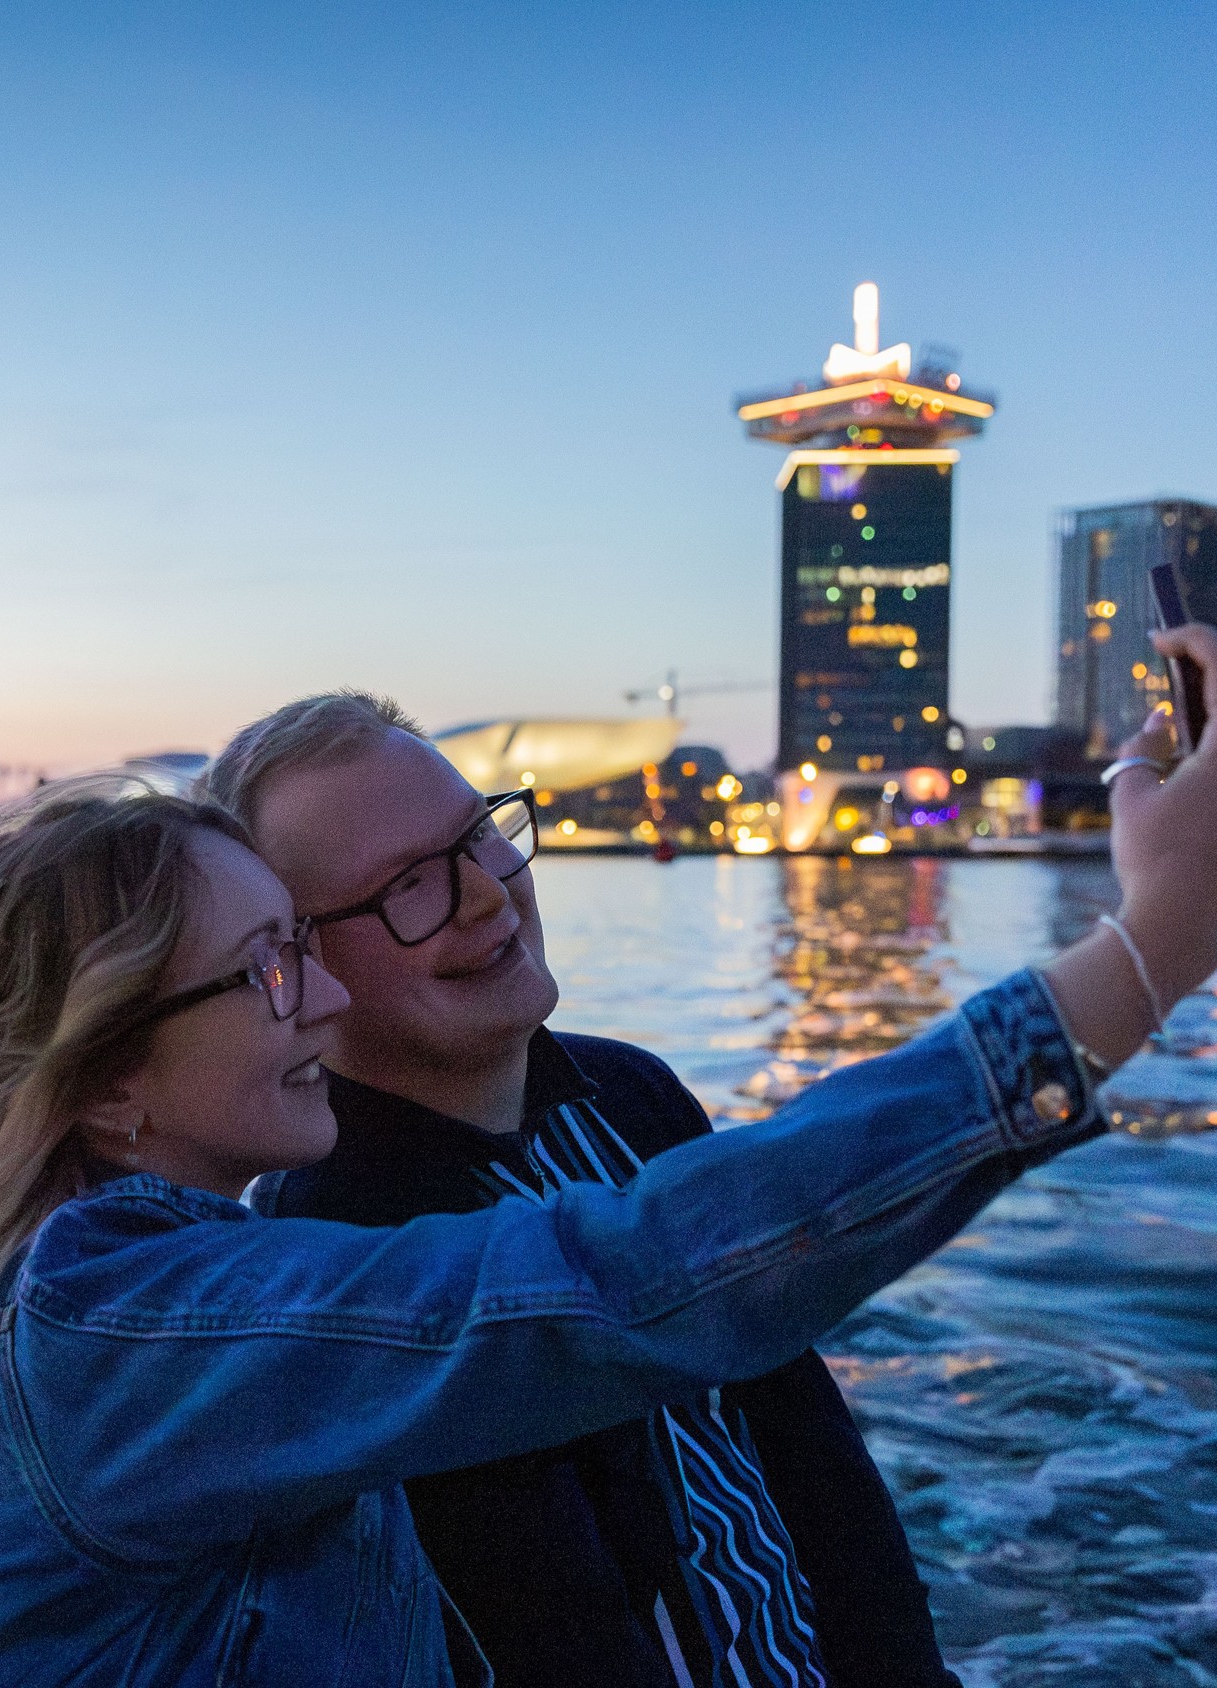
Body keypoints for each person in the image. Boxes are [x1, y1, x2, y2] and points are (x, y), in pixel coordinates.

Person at [0, 625, 1217, 1686]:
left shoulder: (183, 1294)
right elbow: (622, 1287)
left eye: (481, 841)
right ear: (108, 1086)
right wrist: (1152, 950)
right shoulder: (116, 1332)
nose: (327, 1001)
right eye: (275, 969)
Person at [199, 698, 923, 1685]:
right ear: (299, 962)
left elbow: (810, 1449)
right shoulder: (338, 1252)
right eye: (411, 883)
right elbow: (534, 1623)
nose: (490, 895)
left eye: (482, 834)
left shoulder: (637, 1094)